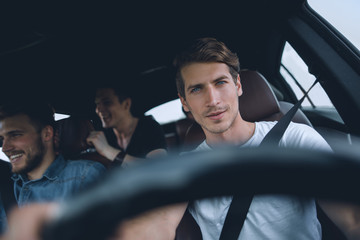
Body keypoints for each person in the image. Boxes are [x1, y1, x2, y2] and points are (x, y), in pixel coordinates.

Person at [2, 38, 360, 240]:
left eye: (220, 83)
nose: (213, 100)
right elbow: (154, 225)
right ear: (185, 104)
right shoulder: (186, 167)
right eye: (197, 90)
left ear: (238, 86)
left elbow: (352, 221)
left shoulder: (295, 138)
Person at [0, 100, 106, 231]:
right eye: (2, 139)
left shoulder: (84, 176)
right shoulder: (6, 184)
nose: (5, 148)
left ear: (47, 134)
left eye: (15, 135)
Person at [86, 87, 167, 166]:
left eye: (107, 102)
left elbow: (158, 168)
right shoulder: (104, 135)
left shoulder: (149, 128)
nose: (99, 110)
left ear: (126, 104)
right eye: (97, 104)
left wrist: (106, 150)